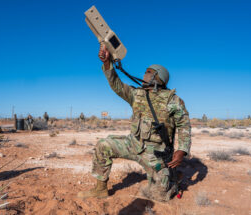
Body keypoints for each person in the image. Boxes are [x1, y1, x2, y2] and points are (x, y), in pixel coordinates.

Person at [77, 44, 191, 201]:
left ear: (158, 77)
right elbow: (116, 85)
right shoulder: (136, 95)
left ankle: (171, 178)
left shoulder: (173, 101)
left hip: (155, 153)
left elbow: (184, 126)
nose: (144, 74)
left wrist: (182, 150)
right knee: (103, 145)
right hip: (133, 144)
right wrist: (107, 63)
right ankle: (100, 189)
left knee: (159, 196)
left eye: (148, 72)